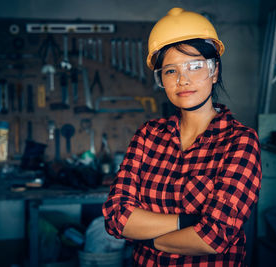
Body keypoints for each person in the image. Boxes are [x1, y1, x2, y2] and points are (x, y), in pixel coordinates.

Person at [102, 7, 262, 266]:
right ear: (161, 80)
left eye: (195, 66)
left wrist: (150, 240)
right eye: (170, 71)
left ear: (215, 71)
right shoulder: (148, 136)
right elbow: (116, 216)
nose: (183, 79)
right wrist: (186, 224)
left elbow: (215, 236)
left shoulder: (240, 142)